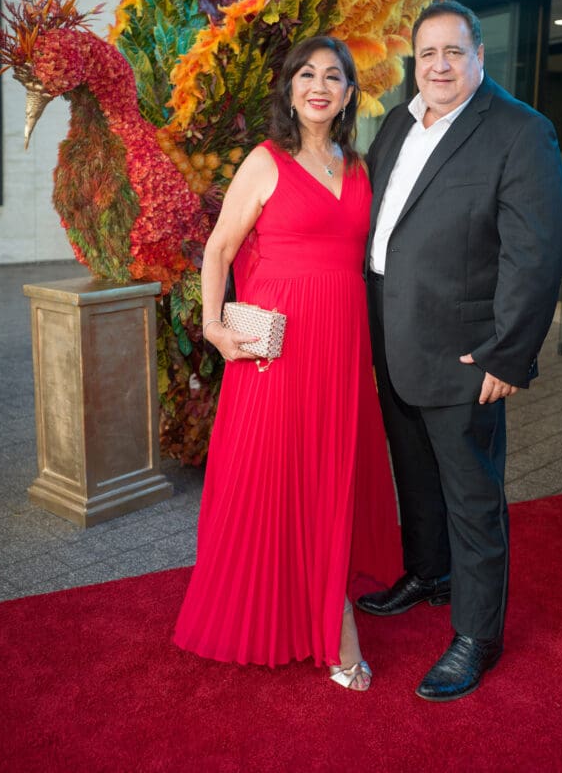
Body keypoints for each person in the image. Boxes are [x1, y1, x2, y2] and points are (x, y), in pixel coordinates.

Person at [173, 35, 403, 690]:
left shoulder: (358, 167)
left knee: (328, 475)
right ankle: (334, 619)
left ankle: (329, 599)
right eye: (307, 74)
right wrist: (216, 327)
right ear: (290, 87)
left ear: (350, 92)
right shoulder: (266, 160)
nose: (320, 86)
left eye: (334, 76)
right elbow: (218, 251)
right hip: (278, 350)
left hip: (341, 347)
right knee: (278, 475)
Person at [357, 0, 562, 701]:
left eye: (454, 52)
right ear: (413, 62)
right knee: (415, 475)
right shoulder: (396, 123)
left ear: (480, 57)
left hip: (464, 355)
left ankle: (478, 633)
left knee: (472, 497)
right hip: (394, 339)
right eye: (427, 54)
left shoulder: (518, 131)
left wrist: (509, 356)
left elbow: (534, 258)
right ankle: (428, 573)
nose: (440, 66)